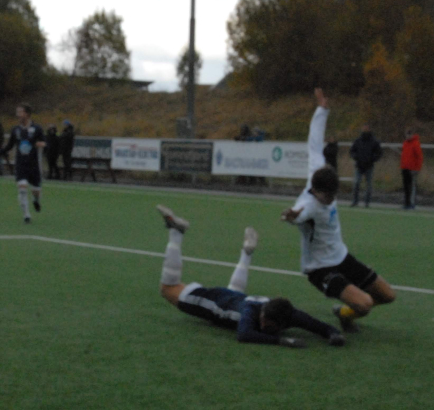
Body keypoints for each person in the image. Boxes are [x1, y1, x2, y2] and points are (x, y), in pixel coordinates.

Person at [281, 89, 397, 333]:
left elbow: (314, 142)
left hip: (342, 257)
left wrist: (322, 110)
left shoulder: (318, 171)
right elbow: (300, 215)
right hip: (320, 268)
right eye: (328, 197)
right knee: (364, 304)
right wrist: (292, 216)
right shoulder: (308, 205)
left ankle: (344, 312)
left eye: (334, 195)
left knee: (387, 295)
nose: (332, 200)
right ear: (315, 191)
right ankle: (346, 314)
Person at [156, 204, 344, 347]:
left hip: (234, 298)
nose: (261, 323)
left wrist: (333, 334)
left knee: (234, 295)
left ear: (283, 322)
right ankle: (176, 232)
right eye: (262, 319)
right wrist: (281, 341)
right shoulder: (251, 313)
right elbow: (243, 335)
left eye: (266, 323)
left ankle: (246, 253)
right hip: (211, 300)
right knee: (167, 289)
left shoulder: (289, 314)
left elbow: (316, 325)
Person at [0, 104, 46, 223]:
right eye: (17, 112)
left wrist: (42, 144)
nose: (18, 115)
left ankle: (36, 200)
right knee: (22, 188)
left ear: (27, 114)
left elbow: (45, 142)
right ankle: (26, 215)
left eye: (20, 112)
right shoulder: (15, 130)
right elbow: (9, 145)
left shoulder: (37, 128)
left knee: (36, 191)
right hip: (21, 164)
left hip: (34, 165)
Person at [349, 123, 382, 207]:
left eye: (366, 128)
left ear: (369, 129)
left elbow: (379, 153)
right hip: (359, 165)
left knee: (369, 185)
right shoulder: (358, 141)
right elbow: (352, 151)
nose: (365, 129)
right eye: (364, 128)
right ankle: (355, 201)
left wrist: (372, 159)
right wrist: (356, 157)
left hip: (369, 166)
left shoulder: (374, 141)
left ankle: (367, 202)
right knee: (356, 183)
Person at [400, 127, 424, 210]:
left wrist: (417, 169)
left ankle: (412, 203)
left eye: (409, 134)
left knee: (411, 187)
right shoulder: (405, 143)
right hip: (405, 168)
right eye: (407, 134)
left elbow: (419, 157)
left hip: (412, 169)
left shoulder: (416, 144)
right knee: (406, 187)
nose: (408, 136)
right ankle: (407, 203)